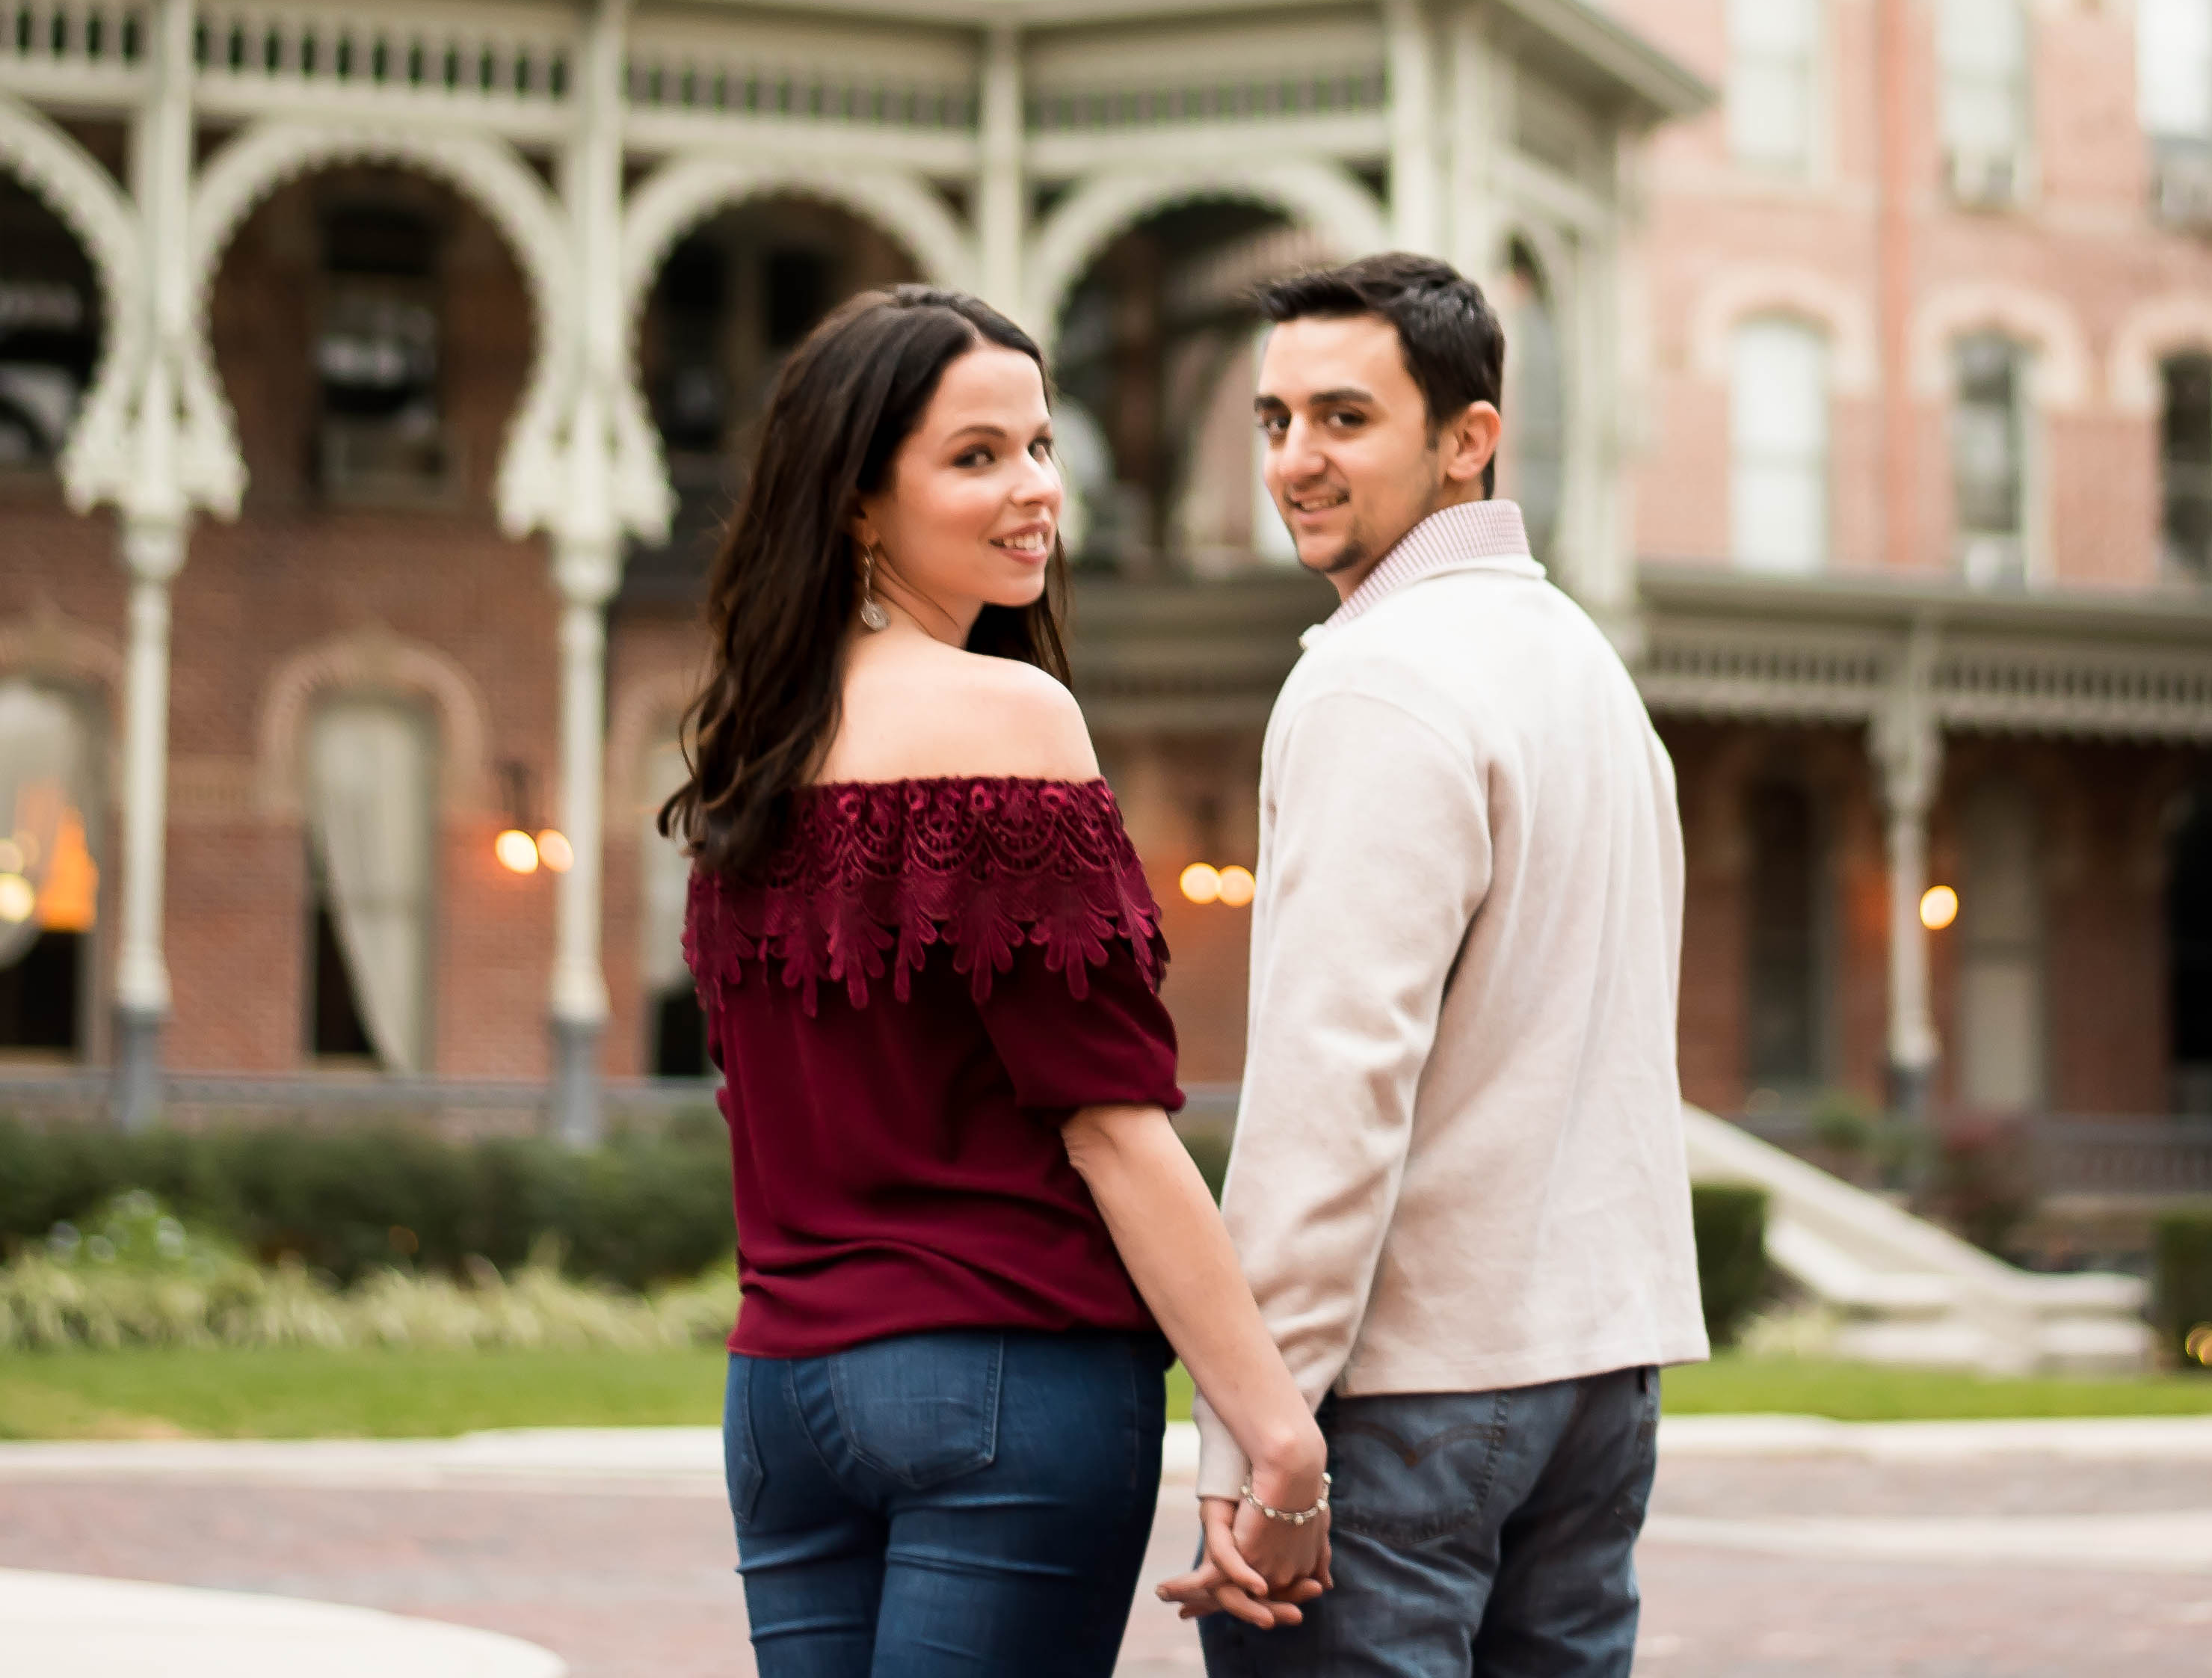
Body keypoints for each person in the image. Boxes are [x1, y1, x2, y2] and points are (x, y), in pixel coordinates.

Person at [670, 283, 1337, 1677]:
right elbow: (1108, 1123)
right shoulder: (1009, 718)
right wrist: (1280, 1439)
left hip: (782, 1394)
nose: (1036, 491)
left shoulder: (755, 751)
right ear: (859, 503)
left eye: (1043, 446)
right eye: (976, 457)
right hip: (1000, 1380)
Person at [1167, 251, 1703, 1674]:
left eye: (1345, 419)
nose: (1296, 461)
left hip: (1415, 1398)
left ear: (1468, 441)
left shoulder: (1376, 678)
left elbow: (1332, 1090)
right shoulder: (1589, 668)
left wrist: (1254, 1432)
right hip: (1596, 1379)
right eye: (1275, 420)